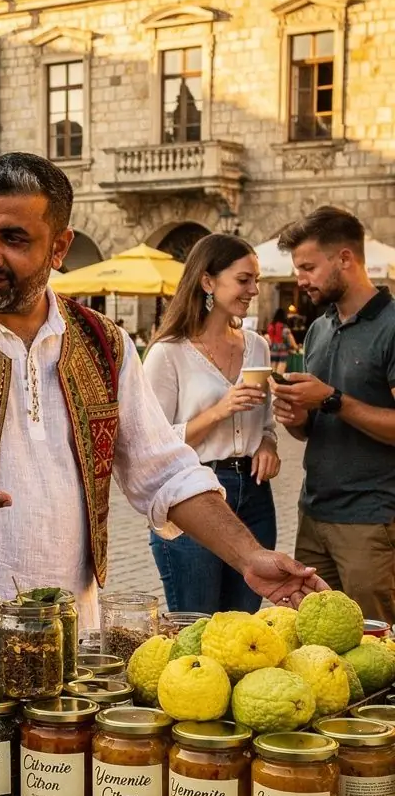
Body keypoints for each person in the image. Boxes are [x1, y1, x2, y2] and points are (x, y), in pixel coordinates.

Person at [0, 151, 322, 659]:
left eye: (12, 238)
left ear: (60, 247)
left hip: (63, 630)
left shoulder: (104, 344)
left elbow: (165, 472)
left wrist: (250, 555)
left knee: (49, 743)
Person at [271, 205, 395, 622]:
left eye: (308, 267)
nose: (300, 279)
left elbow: (336, 402)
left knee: (377, 648)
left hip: (372, 521)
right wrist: (296, 417)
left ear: (345, 258)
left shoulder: (392, 325)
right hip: (313, 515)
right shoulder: (319, 327)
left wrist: (332, 399)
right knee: (316, 645)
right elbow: (315, 427)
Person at [143, 235, 279, 614]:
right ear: (207, 281)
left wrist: (268, 445)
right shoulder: (168, 353)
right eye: (243, 279)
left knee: (244, 625)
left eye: (256, 280)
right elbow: (152, 445)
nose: (253, 289)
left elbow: (266, 424)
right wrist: (219, 411)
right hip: (193, 495)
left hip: (254, 496)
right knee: (197, 623)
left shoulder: (257, 346)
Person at [265, 307, 298, 374]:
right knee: (281, 366)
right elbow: (289, 337)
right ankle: (279, 381)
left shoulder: (271, 326)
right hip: (283, 349)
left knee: (273, 366)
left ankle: (273, 382)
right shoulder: (283, 326)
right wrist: (295, 347)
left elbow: (268, 338)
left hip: (273, 348)